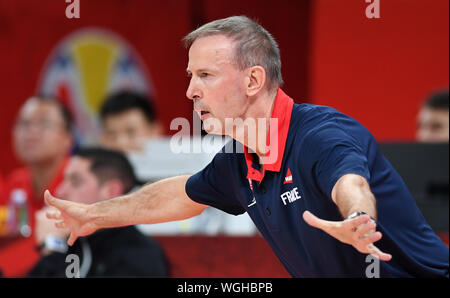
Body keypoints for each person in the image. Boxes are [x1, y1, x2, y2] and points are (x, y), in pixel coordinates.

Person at [44, 16, 449, 278]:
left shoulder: (319, 134)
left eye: (205, 75)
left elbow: (350, 182)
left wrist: (358, 218)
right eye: (190, 75)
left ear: (254, 80)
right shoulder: (237, 163)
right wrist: (94, 214)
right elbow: (178, 196)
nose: (190, 91)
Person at [28, 147, 169, 277]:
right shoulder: (71, 240)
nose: (60, 191)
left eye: (75, 182)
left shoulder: (141, 255)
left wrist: (53, 248)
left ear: (111, 191)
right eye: (64, 180)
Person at [0, 96, 73, 277]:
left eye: (44, 124)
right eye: (24, 124)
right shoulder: (15, 182)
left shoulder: (78, 182)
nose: (32, 132)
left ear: (67, 138)